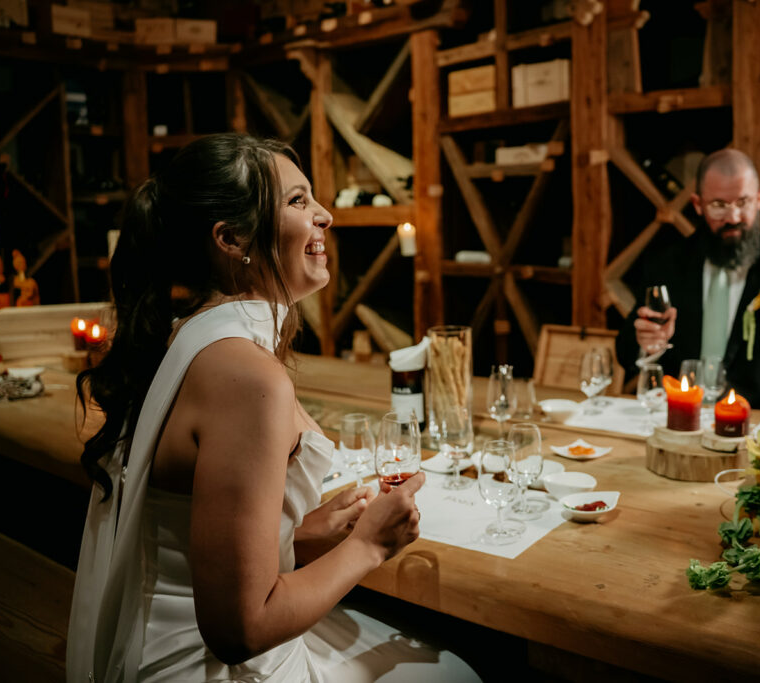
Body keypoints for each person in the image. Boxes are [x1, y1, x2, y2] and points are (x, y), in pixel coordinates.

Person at [68, 134, 481, 682]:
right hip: (204, 668)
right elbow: (239, 629)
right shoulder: (246, 376)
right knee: (454, 671)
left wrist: (301, 531)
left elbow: (182, 534)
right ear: (230, 237)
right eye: (297, 202)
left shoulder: (189, 337)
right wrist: (369, 545)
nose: (325, 215)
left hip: (163, 642)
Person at [616, 148, 760, 414]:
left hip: (757, 431)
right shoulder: (666, 266)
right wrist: (648, 345)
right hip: (678, 424)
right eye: (719, 205)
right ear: (698, 204)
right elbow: (626, 353)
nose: (732, 218)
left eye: (742, 202)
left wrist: (753, 423)